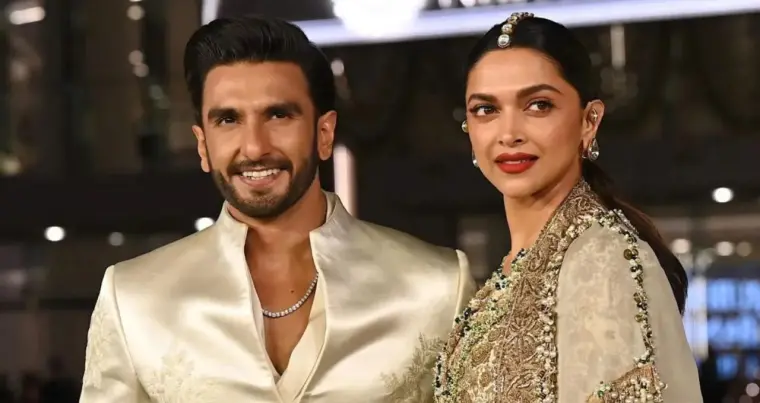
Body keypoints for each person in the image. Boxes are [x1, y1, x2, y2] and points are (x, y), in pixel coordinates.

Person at [79, 16, 475, 403]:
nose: (254, 147)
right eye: (228, 119)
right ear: (202, 144)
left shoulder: (436, 286)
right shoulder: (133, 297)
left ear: (323, 133)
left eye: (278, 115)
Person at [433, 12, 702, 403]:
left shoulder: (600, 259)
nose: (509, 134)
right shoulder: (513, 270)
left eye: (538, 105)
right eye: (486, 109)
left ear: (589, 121)